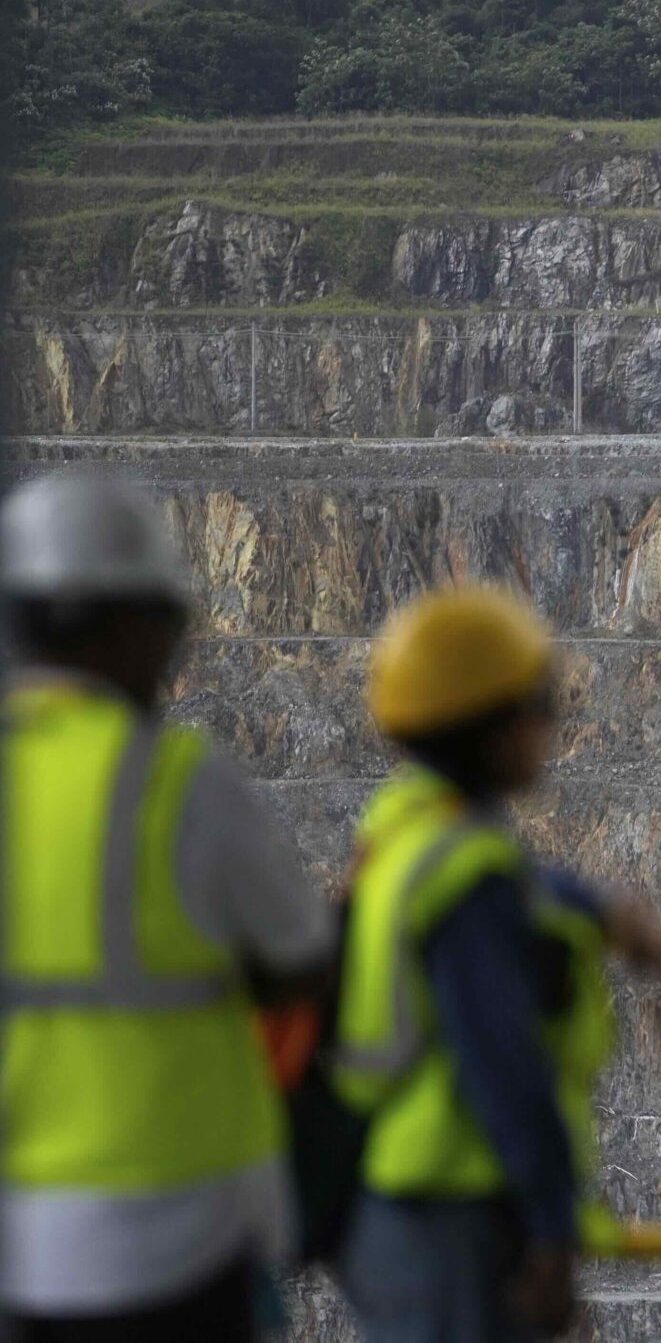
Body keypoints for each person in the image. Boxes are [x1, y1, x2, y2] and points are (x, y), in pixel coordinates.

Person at [0, 470, 334, 1342]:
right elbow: (302, 952)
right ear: (137, 627)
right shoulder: (175, 782)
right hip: (187, 1232)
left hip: (26, 1238)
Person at [333, 583, 661, 1343]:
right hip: (460, 1214)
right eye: (539, 704)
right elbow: (504, 1065)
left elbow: (515, 881)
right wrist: (553, 1226)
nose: (552, 726)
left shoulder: (405, 828)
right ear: (493, 729)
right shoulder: (468, 877)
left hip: (398, 1206)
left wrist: (597, 908)